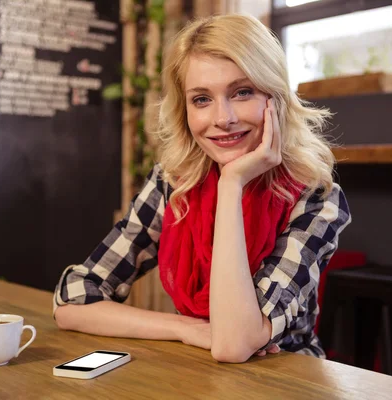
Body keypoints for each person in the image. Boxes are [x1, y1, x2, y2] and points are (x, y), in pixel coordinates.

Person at [53, 14, 351, 363]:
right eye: (201, 99)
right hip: (195, 369)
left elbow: (233, 344)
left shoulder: (316, 198)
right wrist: (185, 328)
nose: (222, 118)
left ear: (276, 97)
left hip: (288, 377)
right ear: (185, 109)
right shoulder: (174, 183)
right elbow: (73, 299)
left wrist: (232, 183)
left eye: (242, 92)